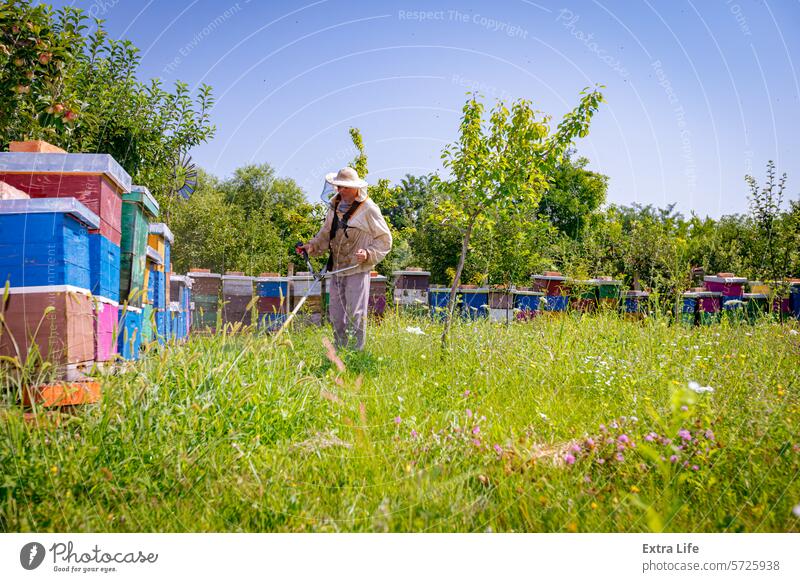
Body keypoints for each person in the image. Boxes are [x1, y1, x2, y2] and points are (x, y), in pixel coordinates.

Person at [298, 167, 392, 350]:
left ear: (356, 188)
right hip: (337, 269)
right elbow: (326, 233)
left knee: (355, 314)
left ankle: (355, 354)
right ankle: (340, 351)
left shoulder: (369, 209)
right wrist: (312, 246)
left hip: (357, 269)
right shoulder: (334, 207)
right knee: (336, 314)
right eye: (338, 186)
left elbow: (384, 239)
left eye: (345, 187)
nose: (341, 190)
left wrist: (368, 254)